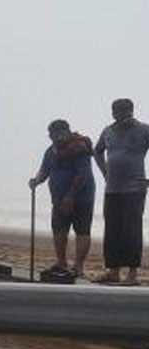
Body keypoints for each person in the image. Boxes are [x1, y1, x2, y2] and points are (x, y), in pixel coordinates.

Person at [28, 119, 96, 278]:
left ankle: (78, 267)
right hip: (58, 199)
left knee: (82, 230)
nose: (57, 137)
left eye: (60, 133)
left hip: (82, 198)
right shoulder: (50, 151)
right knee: (58, 229)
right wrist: (36, 181)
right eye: (53, 135)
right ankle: (61, 262)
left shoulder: (79, 147)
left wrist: (70, 197)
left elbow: (82, 175)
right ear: (50, 136)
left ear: (67, 131)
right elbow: (44, 170)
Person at [94, 98, 149, 285]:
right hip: (112, 189)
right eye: (117, 112)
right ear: (113, 113)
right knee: (112, 230)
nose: (121, 116)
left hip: (135, 188)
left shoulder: (144, 129)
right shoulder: (108, 131)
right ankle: (114, 271)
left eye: (125, 112)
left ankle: (132, 274)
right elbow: (97, 151)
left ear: (132, 111)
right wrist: (104, 172)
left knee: (131, 231)